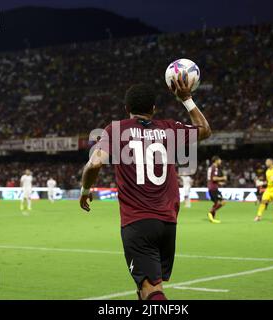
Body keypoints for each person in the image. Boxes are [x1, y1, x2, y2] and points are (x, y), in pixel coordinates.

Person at [79, 73, 211, 300]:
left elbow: (94, 164)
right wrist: (186, 98)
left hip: (138, 222)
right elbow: (205, 130)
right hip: (168, 222)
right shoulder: (169, 128)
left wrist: (85, 190)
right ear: (154, 108)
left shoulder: (116, 129)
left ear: (126, 107)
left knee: (152, 290)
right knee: (145, 288)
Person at [207, 156, 227, 224]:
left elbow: (211, 179)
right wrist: (222, 178)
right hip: (213, 188)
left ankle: (212, 218)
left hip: (211, 187)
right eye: (220, 160)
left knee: (217, 203)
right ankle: (210, 213)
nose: (220, 161)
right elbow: (214, 178)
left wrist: (219, 183)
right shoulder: (215, 168)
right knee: (222, 202)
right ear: (216, 160)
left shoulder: (210, 167)